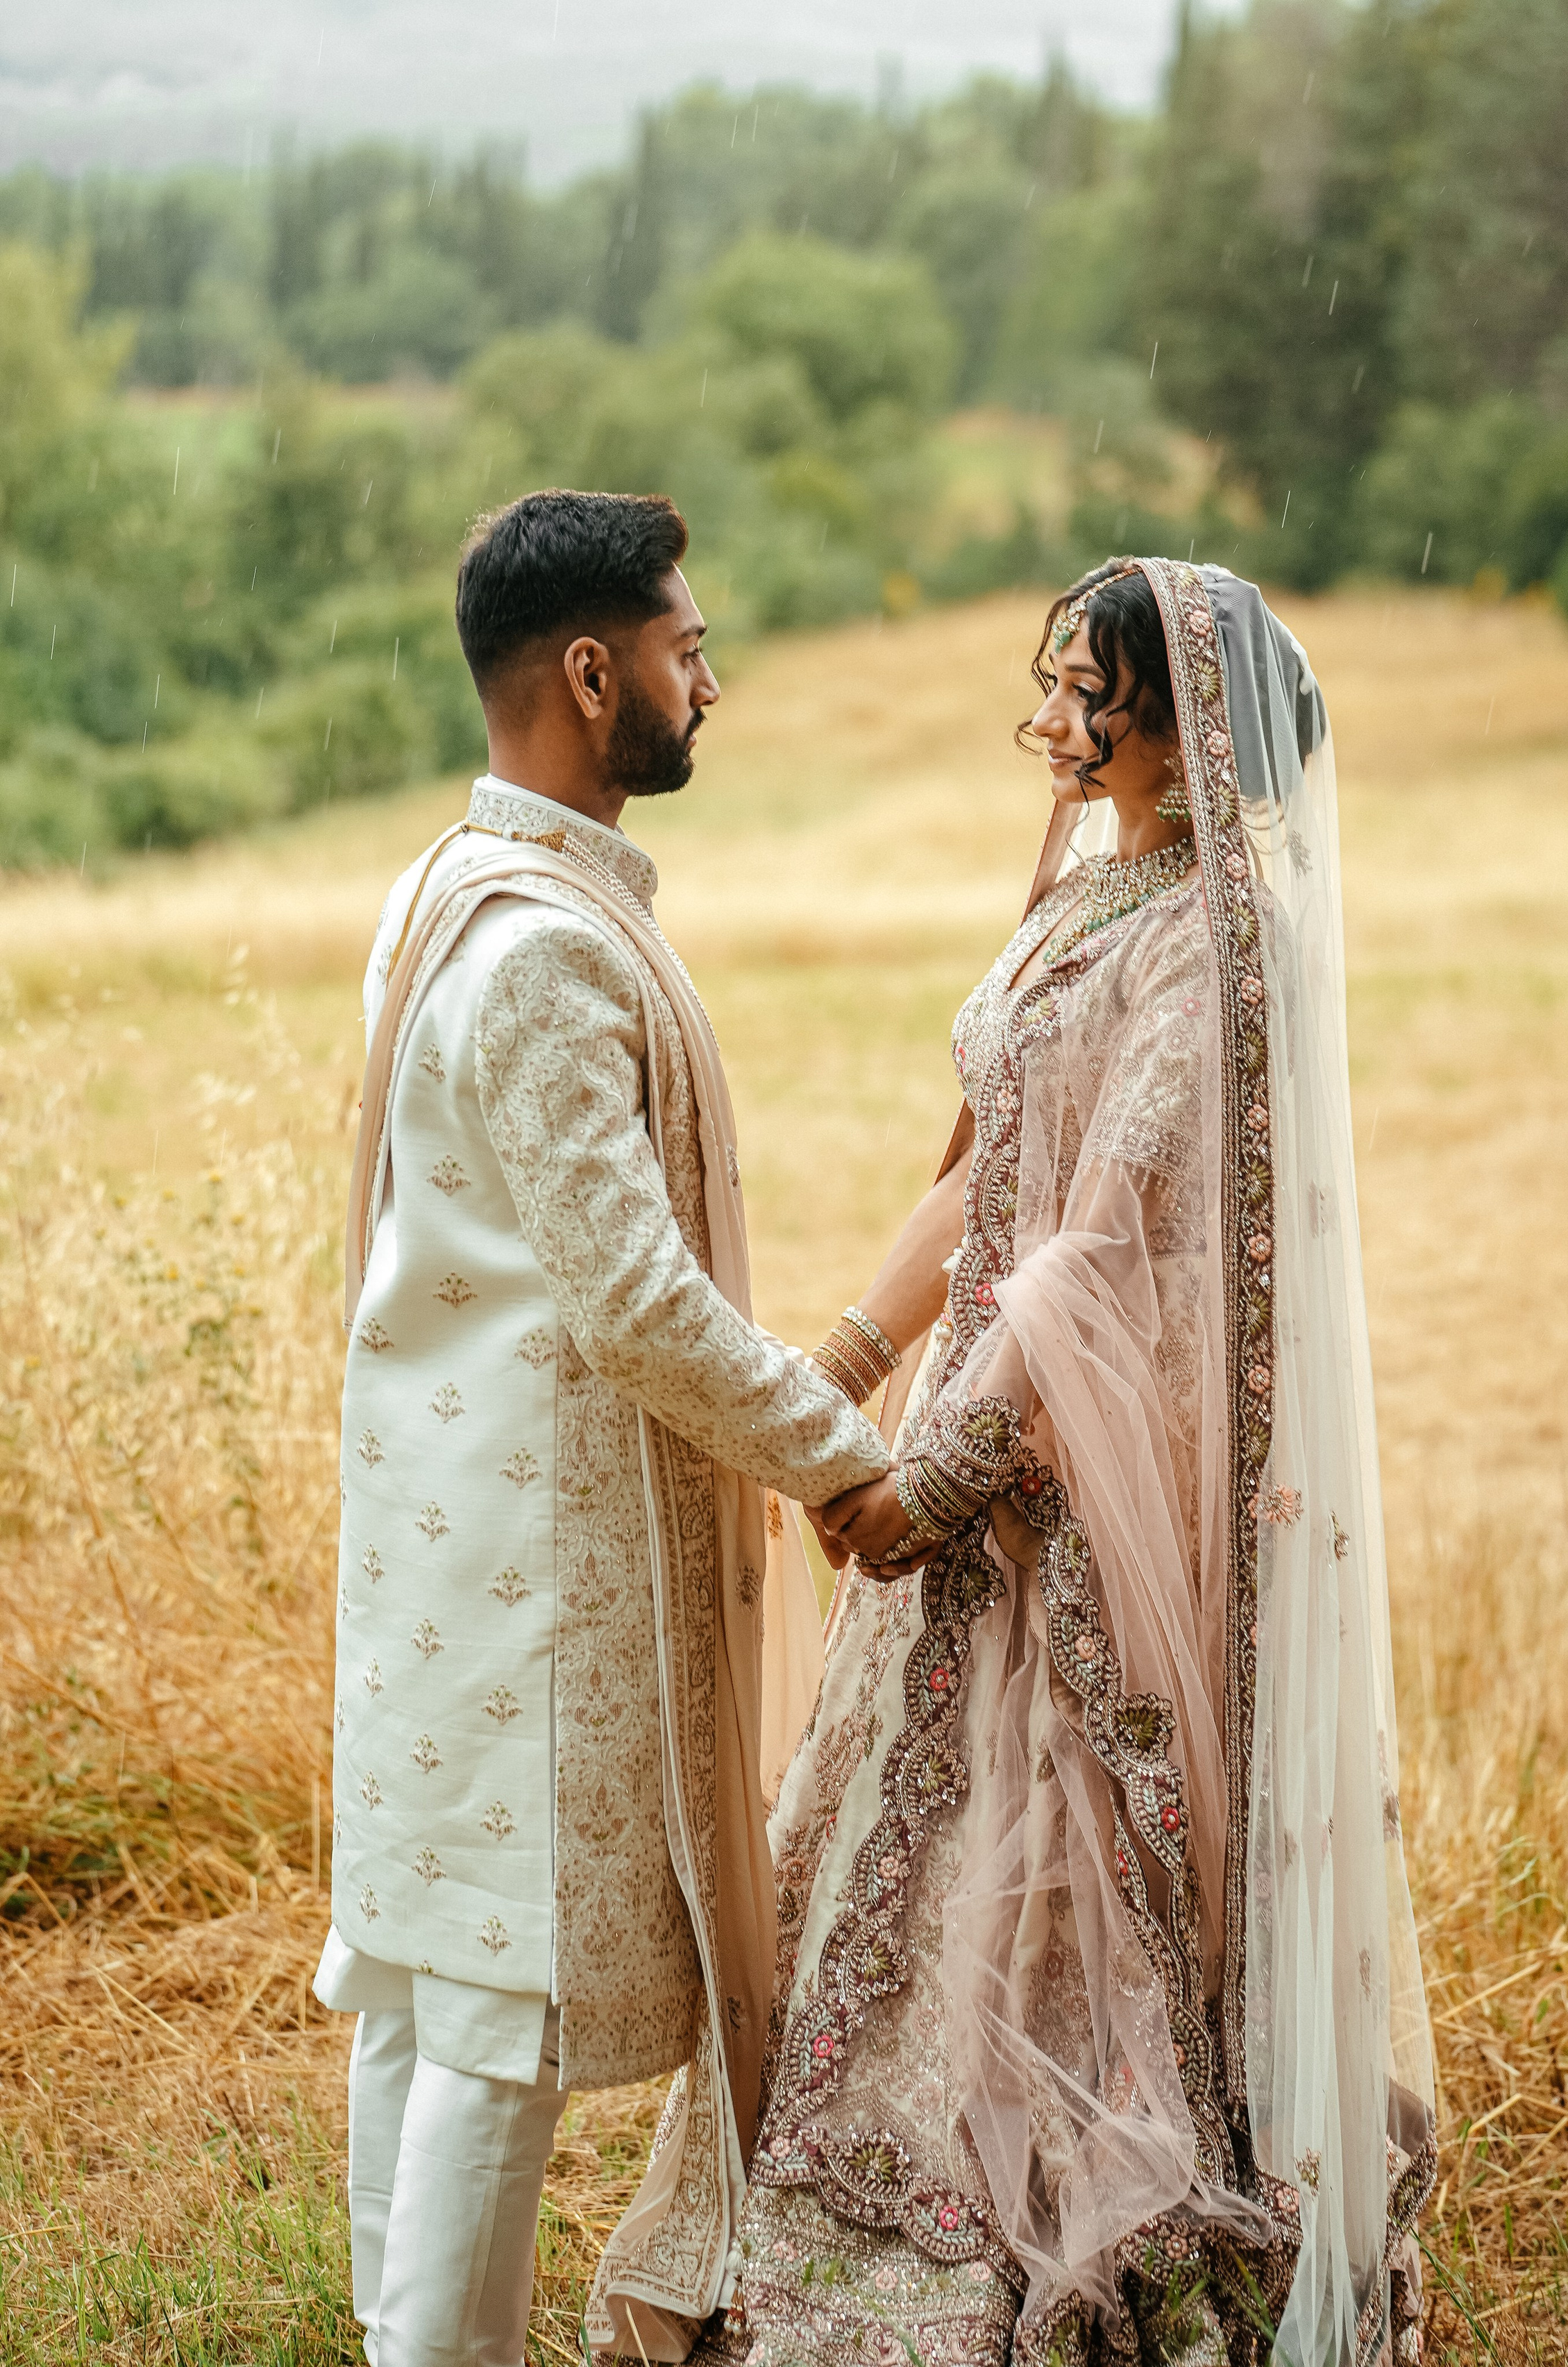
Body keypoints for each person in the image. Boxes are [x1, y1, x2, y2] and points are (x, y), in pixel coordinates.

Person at [689, 559, 1438, 2366]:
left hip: (1086, 1452)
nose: (1046, 715)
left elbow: (1104, 1240)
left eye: (1076, 687)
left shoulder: (1218, 944)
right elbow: (996, 1164)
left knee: (1067, 1836)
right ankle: (896, 2204)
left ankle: (1051, 2237)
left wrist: (936, 1471)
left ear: (1175, 726)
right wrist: (853, 1361)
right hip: (992, 1393)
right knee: (942, 1817)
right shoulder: (1092, 897)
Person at [319, 487, 892, 2367]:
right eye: (684, 647)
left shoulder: (444, 888)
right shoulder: (548, 951)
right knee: (489, 2024)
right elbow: (636, 1300)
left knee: (421, 1999)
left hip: (433, 1545)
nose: (706, 682)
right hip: (527, 1592)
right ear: (591, 670)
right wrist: (845, 1452)